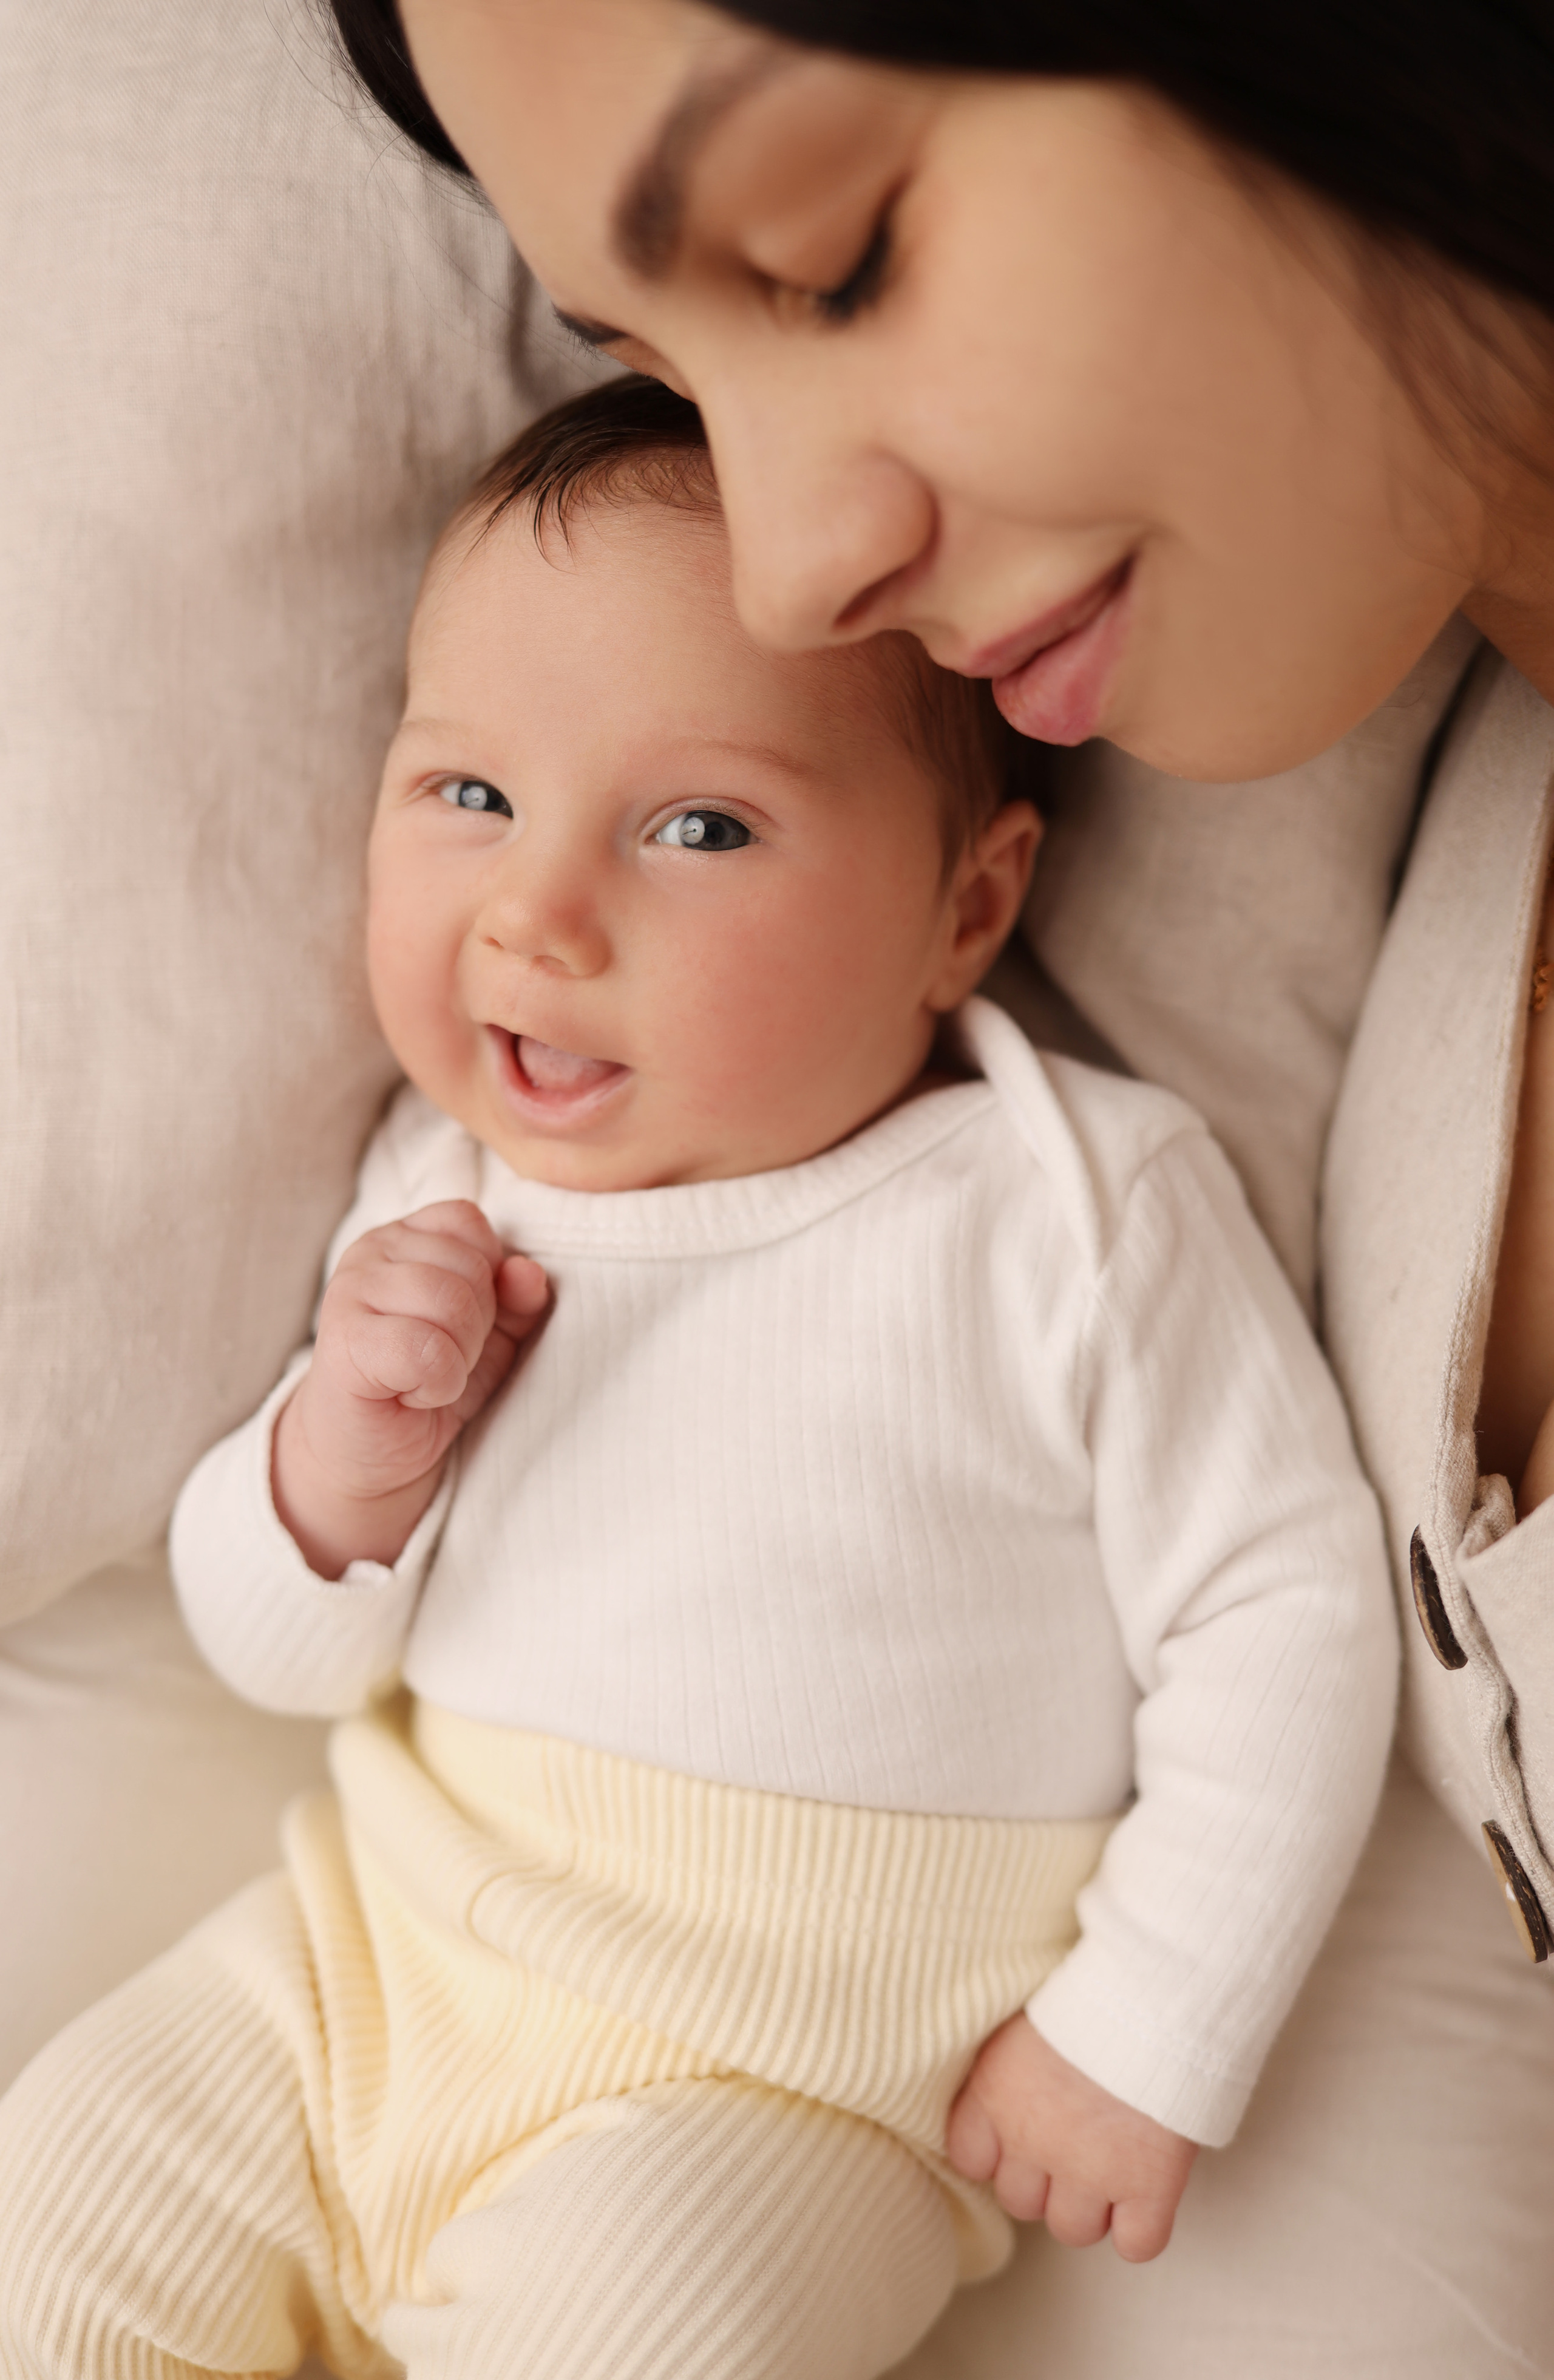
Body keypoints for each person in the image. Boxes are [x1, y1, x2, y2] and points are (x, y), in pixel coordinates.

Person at [313, 5, 1554, 2373]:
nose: (791, 574)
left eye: (837, 250)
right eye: (660, 365)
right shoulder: (1431, 973)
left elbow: (1269, 1615)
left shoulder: (1091, 1204)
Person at [0, 378, 1396, 2380]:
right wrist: (337, 1466)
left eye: (699, 827)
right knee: (52, 2221)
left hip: (779, 2096)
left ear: (967, 908)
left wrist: (1147, 2031)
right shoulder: (443, 1196)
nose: (539, 913)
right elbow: (278, 1653)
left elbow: (1283, 1607)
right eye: (468, 794)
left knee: (651, 2336)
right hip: (362, 1981)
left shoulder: (1065, 1200)